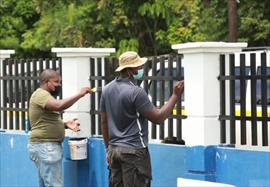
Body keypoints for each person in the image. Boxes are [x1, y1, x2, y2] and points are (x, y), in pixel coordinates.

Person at [100, 51, 184, 187]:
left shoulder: (107, 89)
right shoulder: (136, 92)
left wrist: (108, 149)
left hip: (114, 151)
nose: (141, 69)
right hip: (134, 152)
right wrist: (175, 95)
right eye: (138, 67)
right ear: (130, 70)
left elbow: (104, 121)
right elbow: (158, 118)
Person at [27, 69, 92, 187]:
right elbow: (58, 105)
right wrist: (80, 94)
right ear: (47, 82)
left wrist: (65, 124)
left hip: (45, 146)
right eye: (56, 82)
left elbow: (44, 121)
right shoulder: (41, 94)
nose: (59, 85)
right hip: (45, 146)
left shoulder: (44, 96)